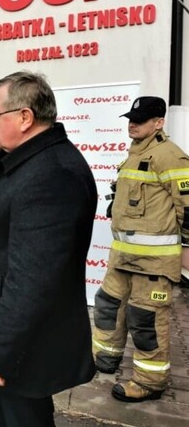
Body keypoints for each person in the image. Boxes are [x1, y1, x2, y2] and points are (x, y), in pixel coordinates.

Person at [0, 71, 97, 427]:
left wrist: (0, 352)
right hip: (4, 339)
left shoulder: (52, 173)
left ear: (25, 118)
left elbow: (35, 277)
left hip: (20, 352)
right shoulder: (25, 160)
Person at [92, 96, 189, 402]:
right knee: (109, 307)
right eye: (131, 118)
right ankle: (105, 359)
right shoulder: (135, 154)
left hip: (153, 264)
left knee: (146, 321)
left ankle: (150, 382)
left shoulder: (170, 156)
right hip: (123, 257)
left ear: (159, 122)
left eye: (141, 119)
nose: (132, 124)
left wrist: (186, 247)